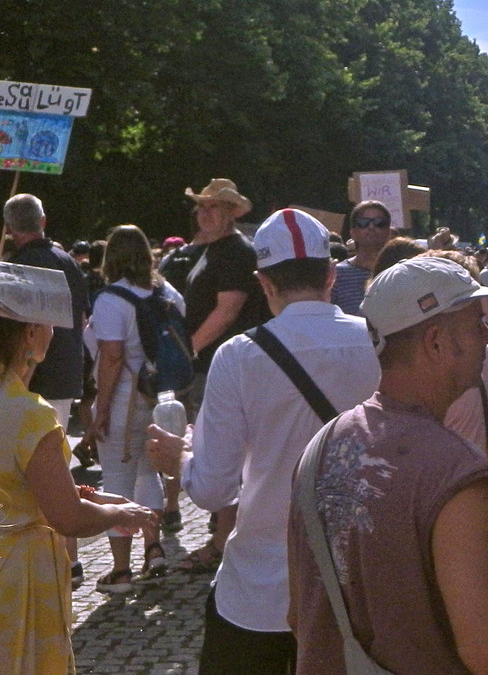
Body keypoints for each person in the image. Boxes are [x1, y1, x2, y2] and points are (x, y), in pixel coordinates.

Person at [147, 208, 381, 675]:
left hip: (261, 590)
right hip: (364, 583)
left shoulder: (239, 357)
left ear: (264, 282)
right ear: (331, 275)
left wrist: (182, 459)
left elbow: (213, 490)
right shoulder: (378, 344)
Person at [286, 255, 488, 675]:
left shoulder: (324, 442)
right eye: (476, 324)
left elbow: (300, 614)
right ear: (436, 342)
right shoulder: (456, 472)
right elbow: (487, 652)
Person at [1, 276, 157, 675]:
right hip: (18, 572)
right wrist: (122, 515)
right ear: (31, 334)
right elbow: (67, 518)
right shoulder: (30, 414)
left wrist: (89, 495)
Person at [4, 193, 90, 587]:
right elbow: (83, 318)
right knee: (59, 463)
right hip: (66, 370)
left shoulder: (18, 267)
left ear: (11, 228)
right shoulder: (67, 259)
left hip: (36, 375)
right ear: (43, 220)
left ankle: (62, 559)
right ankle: (68, 559)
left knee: (38, 471)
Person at [87, 225, 178, 593]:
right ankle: (154, 548)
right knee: (148, 472)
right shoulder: (167, 292)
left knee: (118, 482)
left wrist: (101, 412)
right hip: (161, 396)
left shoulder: (111, 299)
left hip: (125, 398)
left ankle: (121, 571)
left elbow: (111, 357)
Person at [329, 200, 392, 316]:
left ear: (389, 231)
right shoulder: (336, 275)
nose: (371, 227)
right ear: (352, 232)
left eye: (379, 222)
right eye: (363, 222)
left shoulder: (399, 272)